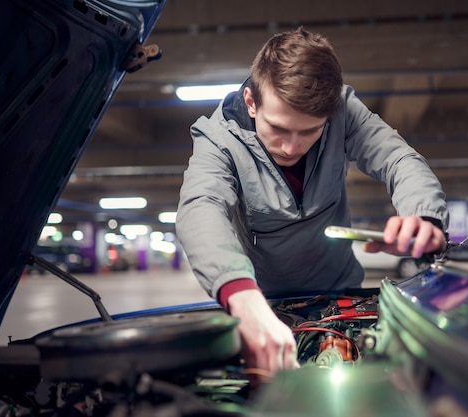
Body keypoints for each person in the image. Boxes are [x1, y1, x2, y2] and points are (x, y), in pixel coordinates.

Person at [176, 27, 449, 377]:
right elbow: (201, 206)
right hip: (262, 299)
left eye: (309, 131)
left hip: (338, 290)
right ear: (251, 102)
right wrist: (240, 295)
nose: (291, 147)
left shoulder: (344, 111)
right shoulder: (217, 138)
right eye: (278, 128)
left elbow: (399, 159)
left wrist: (424, 215)